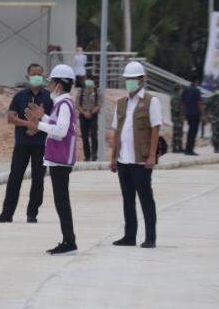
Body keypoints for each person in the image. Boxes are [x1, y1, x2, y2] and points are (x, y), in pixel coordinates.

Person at [23, 64, 78, 255]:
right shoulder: (62, 104)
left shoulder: (64, 104)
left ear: (59, 85)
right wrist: (43, 118)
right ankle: (68, 239)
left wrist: (38, 124)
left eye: (52, 82)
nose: (49, 86)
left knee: (62, 201)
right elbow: (56, 124)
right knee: (61, 200)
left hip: (61, 158)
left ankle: (69, 241)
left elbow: (61, 131)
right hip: (58, 158)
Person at [110, 62, 162, 249]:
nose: (129, 82)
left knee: (146, 199)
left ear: (142, 80)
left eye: (133, 79)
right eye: (127, 79)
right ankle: (129, 236)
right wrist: (113, 157)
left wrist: (152, 156)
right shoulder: (121, 103)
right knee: (128, 200)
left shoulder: (151, 101)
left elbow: (155, 129)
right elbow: (116, 131)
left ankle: (150, 238)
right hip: (123, 159)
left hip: (141, 161)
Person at [0, 64, 53, 223]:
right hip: (22, 143)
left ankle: (32, 213)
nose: (36, 77)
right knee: (15, 177)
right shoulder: (19, 96)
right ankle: (7, 213)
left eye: (39, 74)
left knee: (38, 179)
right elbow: (11, 117)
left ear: (43, 76)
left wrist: (35, 127)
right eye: (33, 74)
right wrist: (28, 124)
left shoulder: (49, 97)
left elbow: (52, 120)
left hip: (41, 144)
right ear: (27, 77)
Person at [76, 78, 101, 161]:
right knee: (84, 136)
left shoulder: (97, 92)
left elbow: (99, 104)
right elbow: (77, 104)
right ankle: (87, 156)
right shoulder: (81, 91)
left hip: (93, 115)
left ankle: (94, 154)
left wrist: (91, 113)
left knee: (94, 135)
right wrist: (84, 113)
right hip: (83, 115)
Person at [182, 75, 203, 155]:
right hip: (195, 114)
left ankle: (187, 149)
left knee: (190, 131)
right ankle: (189, 150)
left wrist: (183, 113)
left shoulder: (186, 90)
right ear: (196, 81)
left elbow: (182, 103)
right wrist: (202, 114)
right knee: (193, 132)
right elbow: (199, 103)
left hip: (188, 113)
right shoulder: (196, 90)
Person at [205, 84, 219, 153]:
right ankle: (216, 147)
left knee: (216, 132)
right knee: (218, 132)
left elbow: (207, 108)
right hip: (218, 117)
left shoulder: (213, 98)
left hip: (215, 117)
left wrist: (207, 115)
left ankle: (217, 146)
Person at [170, 84, 184, 153]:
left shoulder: (176, 97)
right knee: (176, 133)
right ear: (178, 89)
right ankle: (175, 148)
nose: (181, 90)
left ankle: (179, 147)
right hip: (177, 117)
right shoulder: (175, 97)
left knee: (180, 133)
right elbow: (177, 108)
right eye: (181, 89)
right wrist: (181, 115)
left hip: (177, 117)